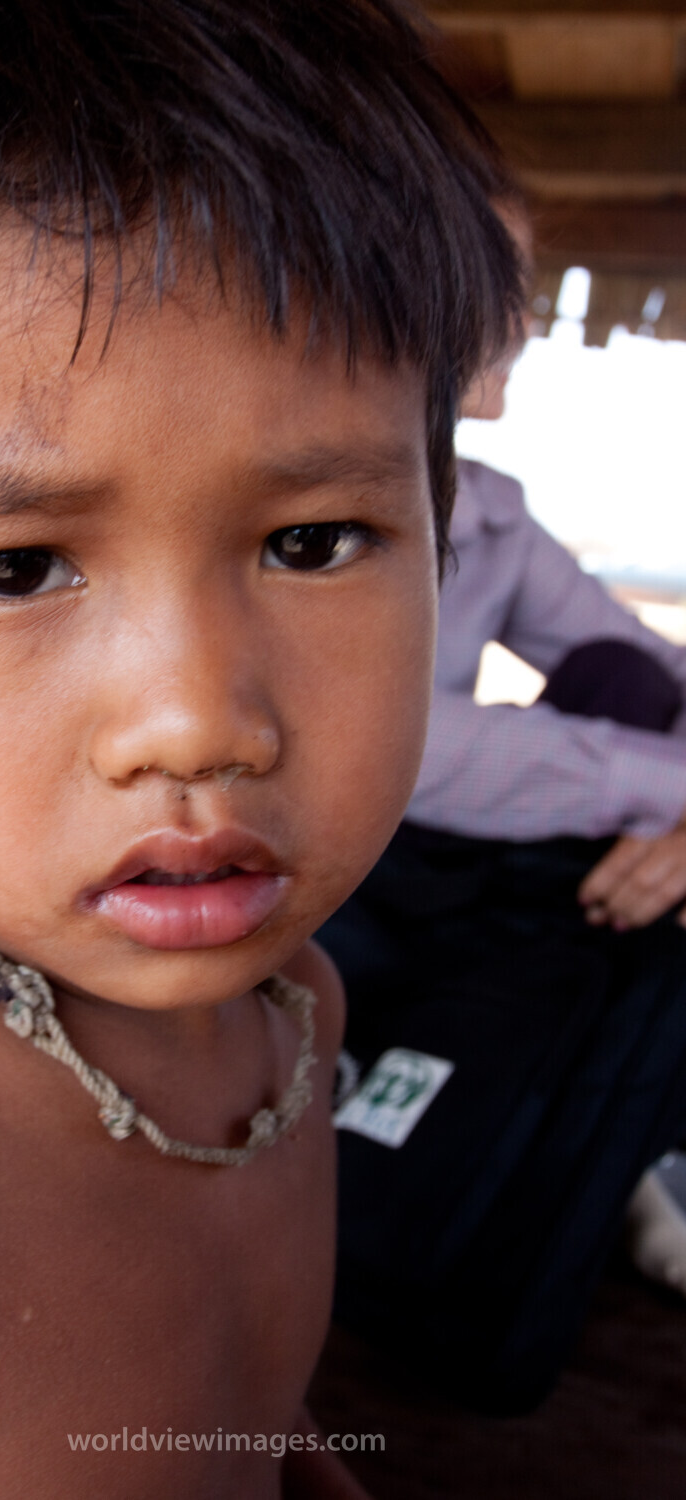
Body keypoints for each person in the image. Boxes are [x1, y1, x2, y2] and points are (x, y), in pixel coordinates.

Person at [0, 0, 520, 1494]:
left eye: (314, 541)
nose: (192, 721)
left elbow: (238, 1421)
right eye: (15, 568)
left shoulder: (297, 1014)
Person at [319, 278, 686, 1409]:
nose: (521, 320)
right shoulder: (313, 499)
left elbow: (645, 664)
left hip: (444, 867)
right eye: (491, 277)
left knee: (619, 684)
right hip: (334, 861)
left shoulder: (486, 509)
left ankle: (592, 1133)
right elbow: (390, 742)